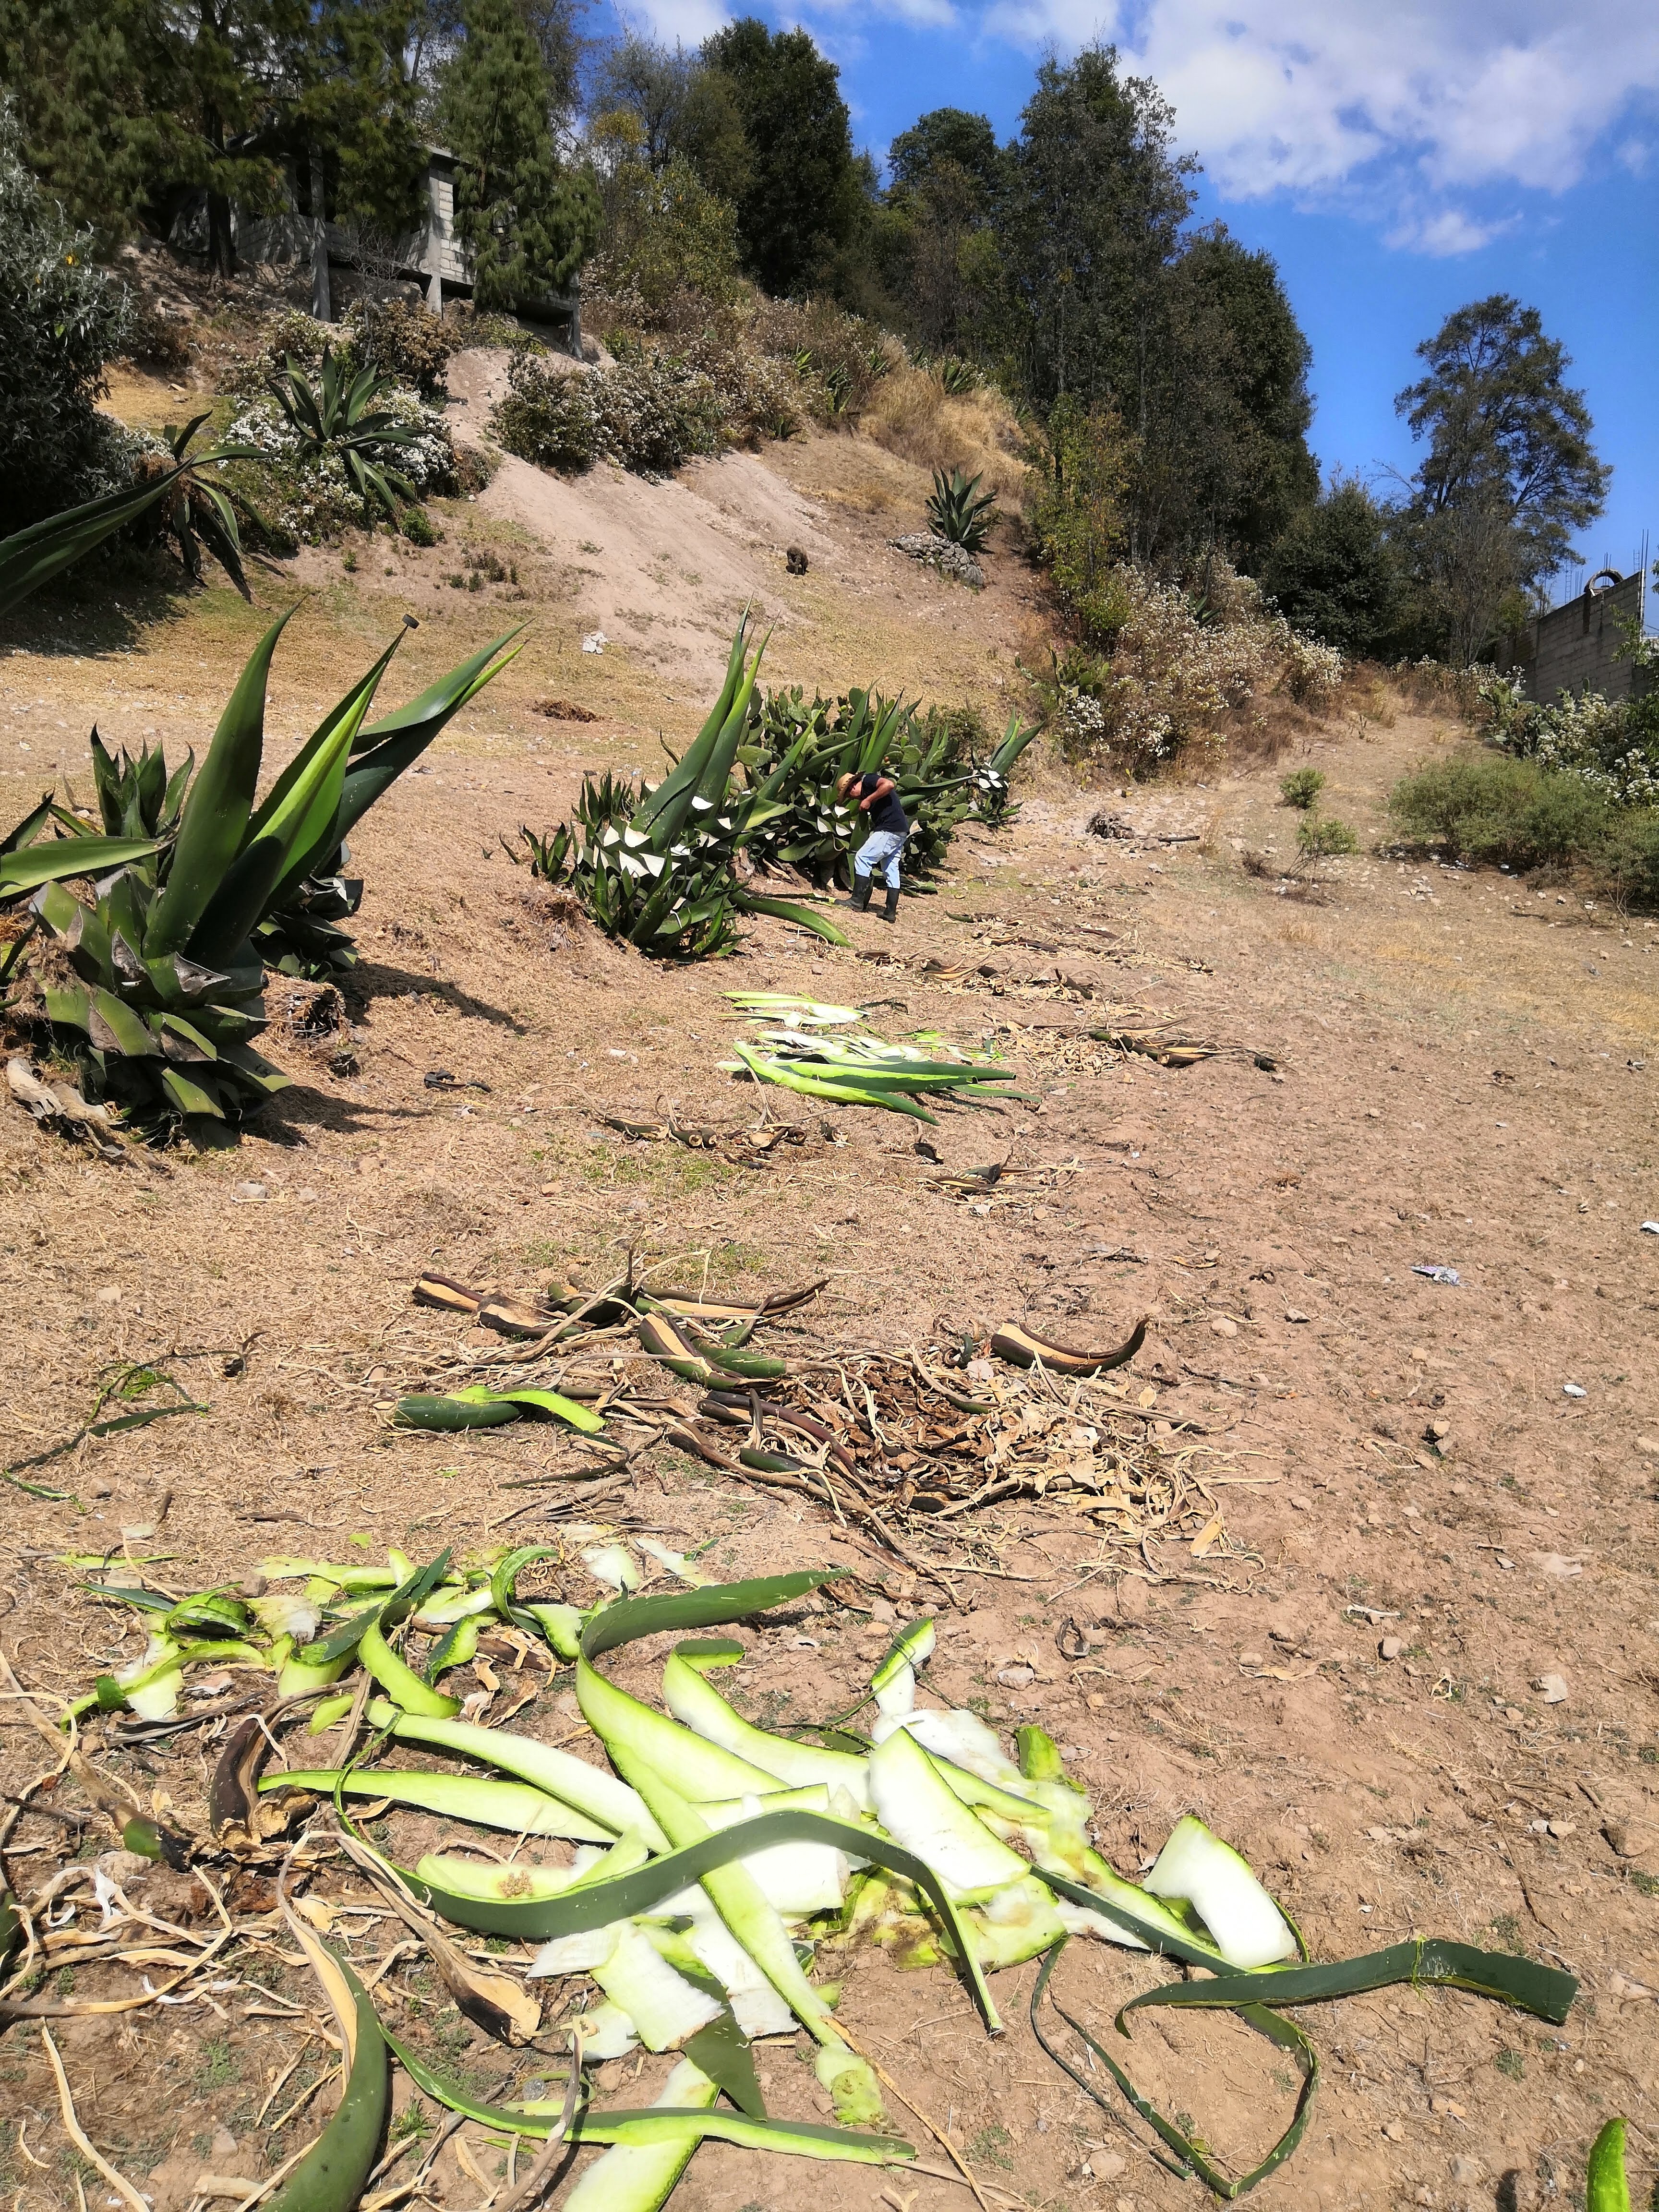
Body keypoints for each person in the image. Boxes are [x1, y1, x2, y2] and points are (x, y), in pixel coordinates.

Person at [836, 768, 909, 923]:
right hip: (900, 830)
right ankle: (890, 912)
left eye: (849, 794)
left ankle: (856, 901)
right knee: (890, 868)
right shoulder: (867, 789)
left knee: (863, 858)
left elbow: (889, 785)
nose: (852, 798)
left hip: (890, 828)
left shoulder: (868, 781)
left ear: (853, 786)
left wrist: (869, 800)